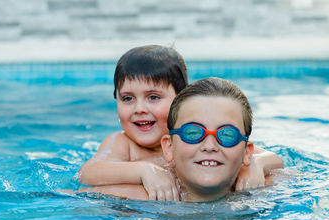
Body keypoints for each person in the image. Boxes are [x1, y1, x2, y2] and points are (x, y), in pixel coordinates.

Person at [78, 45, 283, 201]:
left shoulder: (204, 137)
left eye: (153, 97)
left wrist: (256, 165)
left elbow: (271, 157)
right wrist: (144, 171)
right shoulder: (123, 143)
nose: (139, 109)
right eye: (127, 98)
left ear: (180, 100)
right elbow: (88, 172)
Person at [81, 77, 256, 202]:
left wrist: (258, 165)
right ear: (168, 148)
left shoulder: (267, 190)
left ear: (247, 153)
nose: (209, 146)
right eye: (193, 133)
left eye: (227, 135)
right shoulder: (126, 200)